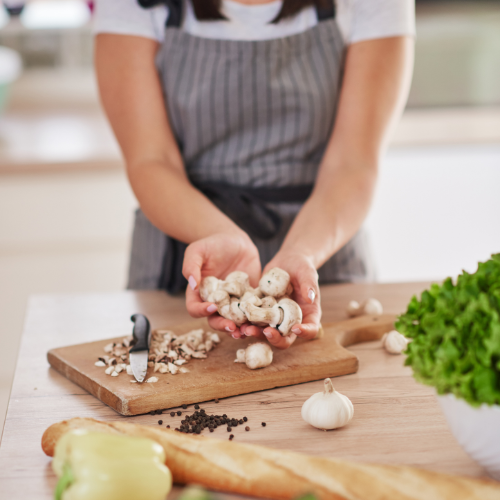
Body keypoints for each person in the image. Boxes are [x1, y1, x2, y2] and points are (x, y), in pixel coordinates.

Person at [94, 0, 415, 349]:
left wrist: (304, 253)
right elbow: (151, 160)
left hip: (325, 254)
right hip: (181, 259)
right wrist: (216, 233)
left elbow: (353, 163)